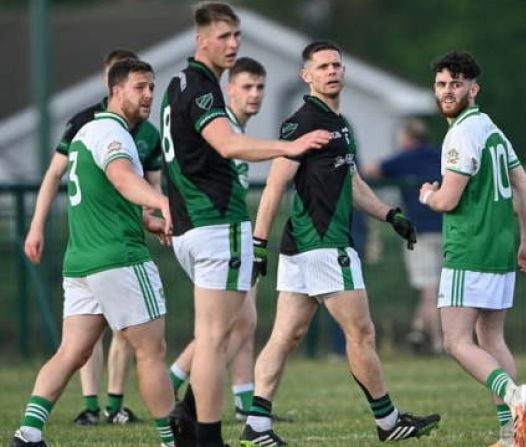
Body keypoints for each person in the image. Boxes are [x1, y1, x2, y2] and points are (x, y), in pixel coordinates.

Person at [238, 40, 440, 446]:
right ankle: (388, 422)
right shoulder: (302, 122)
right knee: (362, 333)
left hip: (307, 249)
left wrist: (390, 214)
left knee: (286, 335)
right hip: (323, 245)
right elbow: (276, 184)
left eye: (337, 65)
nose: (332, 71)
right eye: (323, 66)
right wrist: (258, 242)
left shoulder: (341, 123)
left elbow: (353, 182)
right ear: (306, 75)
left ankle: (256, 427)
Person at [160, 3, 329, 446]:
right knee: (217, 337)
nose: (233, 44)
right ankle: (204, 433)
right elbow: (228, 143)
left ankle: (189, 414)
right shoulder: (201, 89)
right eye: (223, 37)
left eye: (237, 35)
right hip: (214, 225)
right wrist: (287, 147)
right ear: (201, 40)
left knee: (233, 326)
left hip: (190, 227)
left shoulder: (175, 83)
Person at [10, 59, 176, 447]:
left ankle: (29, 432)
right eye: (140, 87)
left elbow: (109, 196)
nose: (149, 94)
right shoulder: (112, 133)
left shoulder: (86, 133)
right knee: (152, 351)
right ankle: (174, 441)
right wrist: (163, 202)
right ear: (116, 91)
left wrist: (149, 220)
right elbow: (122, 178)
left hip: (81, 262)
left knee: (72, 351)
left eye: (152, 86)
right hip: (119, 260)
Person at [418, 50, 526, 447]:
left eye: (456, 84)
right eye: (441, 84)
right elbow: (522, 182)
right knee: (492, 341)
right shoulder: (491, 128)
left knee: (456, 342)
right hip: (500, 249)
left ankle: (513, 395)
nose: (448, 91)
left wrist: (428, 197)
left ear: (474, 88)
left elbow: (449, 199)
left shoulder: (461, 133)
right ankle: (511, 436)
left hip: (469, 248)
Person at [167, 56, 266, 422]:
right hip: (217, 233)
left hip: (215, 231)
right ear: (229, 90)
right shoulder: (221, 130)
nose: (254, 95)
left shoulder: (230, 129)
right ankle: (178, 390)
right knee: (224, 326)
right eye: (246, 87)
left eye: (259, 87)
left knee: (240, 323)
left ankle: (242, 402)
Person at [362, 118, 443, 355]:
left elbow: (370, 170)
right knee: (437, 288)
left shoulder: (404, 158)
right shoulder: (438, 155)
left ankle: (438, 342)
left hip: (419, 230)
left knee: (430, 290)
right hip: (447, 228)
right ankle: (418, 328)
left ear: (407, 139)